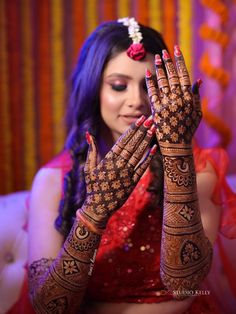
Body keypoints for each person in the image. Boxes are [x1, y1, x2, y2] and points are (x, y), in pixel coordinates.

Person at [27, 17, 236, 314]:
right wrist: (94, 212)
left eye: (149, 86)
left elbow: (185, 288)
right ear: (93, 90)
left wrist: (176, 154)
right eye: (118, 86)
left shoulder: (199, 171)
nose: (137, 101)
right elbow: (48, 307)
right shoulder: (53, 180)